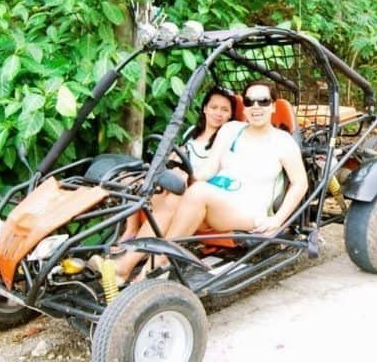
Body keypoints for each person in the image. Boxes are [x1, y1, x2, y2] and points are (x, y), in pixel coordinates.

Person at [108, 80, 309, 283]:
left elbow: (300, 183)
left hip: (250, 211)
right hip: (218, 199)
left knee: (199, 192)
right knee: (174, 197)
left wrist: (278, 220)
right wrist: (184, 177)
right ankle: (125, 266)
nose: (256, 107)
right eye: (249, 101)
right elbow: (208, 169)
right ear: (245, 107)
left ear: (273, 106)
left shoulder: (283, 141)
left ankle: (156, 266)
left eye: (263, 101)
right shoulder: (231, 130)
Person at [118, 87, 237, 244]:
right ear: (205, 109)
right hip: (178, 177)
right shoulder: (192, 132)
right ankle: (131, 231)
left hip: (198, 187)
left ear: (230, 115)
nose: (218, 113)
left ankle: (147, 245)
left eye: (224, 110)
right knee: (132, 181)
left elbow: (215, 170)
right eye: (214, 107)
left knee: (171, 191)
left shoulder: (227, 138)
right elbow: (177, 156)